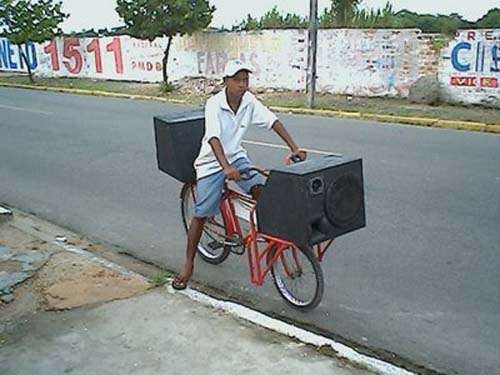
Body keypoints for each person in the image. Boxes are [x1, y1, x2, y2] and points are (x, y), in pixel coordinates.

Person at [172, 59, 306, 290]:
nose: (243, 85)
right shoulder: (214, 104)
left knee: (262, 193)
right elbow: (213, 137)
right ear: (226, 82)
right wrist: (224, 167)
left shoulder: (249, 101)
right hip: (211, 162)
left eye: (246, 80)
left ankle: (270, 242)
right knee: (202, 212)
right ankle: (188, 264)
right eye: (238, 80)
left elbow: (272, 121)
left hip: (236, 157)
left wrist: (294, 147)